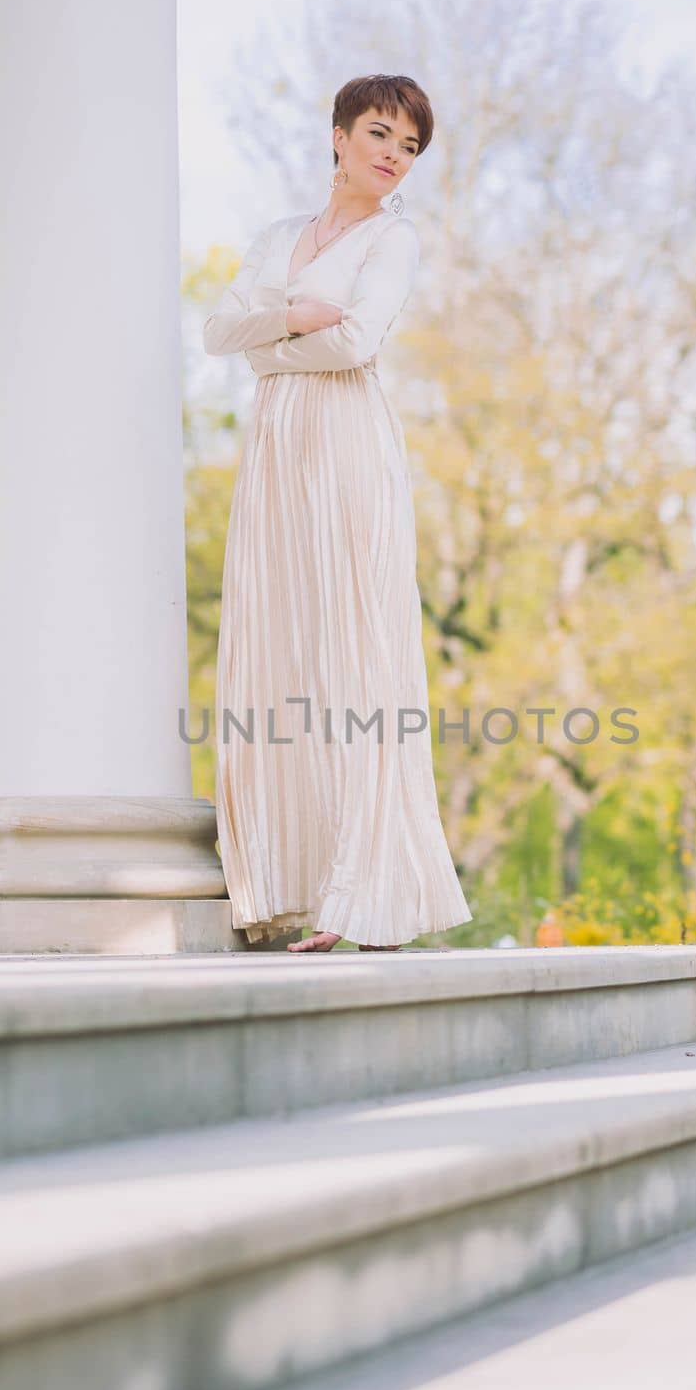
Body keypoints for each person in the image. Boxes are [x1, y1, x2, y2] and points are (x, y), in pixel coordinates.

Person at [203, 74, 472, 953]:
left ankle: (371, 899)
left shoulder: (396, 241)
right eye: (380, 134)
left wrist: (269, 340)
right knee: (277, 641)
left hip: (348, 440)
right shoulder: (280, 237)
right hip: (277, 450)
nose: (393, 157)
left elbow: (355, 341)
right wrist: (291, 314)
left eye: (409, 146)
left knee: (356, 648)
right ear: (337, 136)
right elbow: (217, 331)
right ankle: (287, 884)